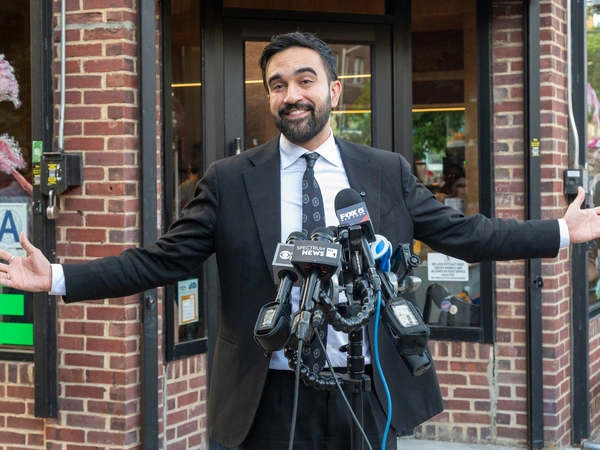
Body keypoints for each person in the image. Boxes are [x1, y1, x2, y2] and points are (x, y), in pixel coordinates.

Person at [0, 32, 599, 450]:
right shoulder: (231, 180)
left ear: (334, 91)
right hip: (266, 393)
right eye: (278, 84)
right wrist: (57, 277)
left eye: (305, 80)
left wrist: (558, 232)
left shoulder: (384, 172)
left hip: (365, 387)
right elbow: (162, 259)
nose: (291, 95)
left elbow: (465, 233)